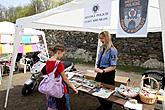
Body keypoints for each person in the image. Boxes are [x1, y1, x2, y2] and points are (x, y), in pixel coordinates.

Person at [46, 44, 78, 110]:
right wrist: (73, 87)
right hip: (60, 88)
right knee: (64, 106)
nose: (62, 56)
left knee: (54, 106)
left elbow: (51, 73)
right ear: (58, 52)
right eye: (62, 54)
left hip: (51, 87)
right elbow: (65, 79)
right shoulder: (59, 63)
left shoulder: (48, 60)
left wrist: (60, 75)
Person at [94, 31, 118, 110]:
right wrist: (98, 69)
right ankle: (104, 106)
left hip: (108, 74)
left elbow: (113, 66)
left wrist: (103, 71)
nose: (100, 40)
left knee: (107, 94)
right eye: (100, 38)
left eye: (102, 38)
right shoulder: (102, 48)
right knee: (96, 89)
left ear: (107, 38)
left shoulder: (113, 50)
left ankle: (106, 107)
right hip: (100, 72)